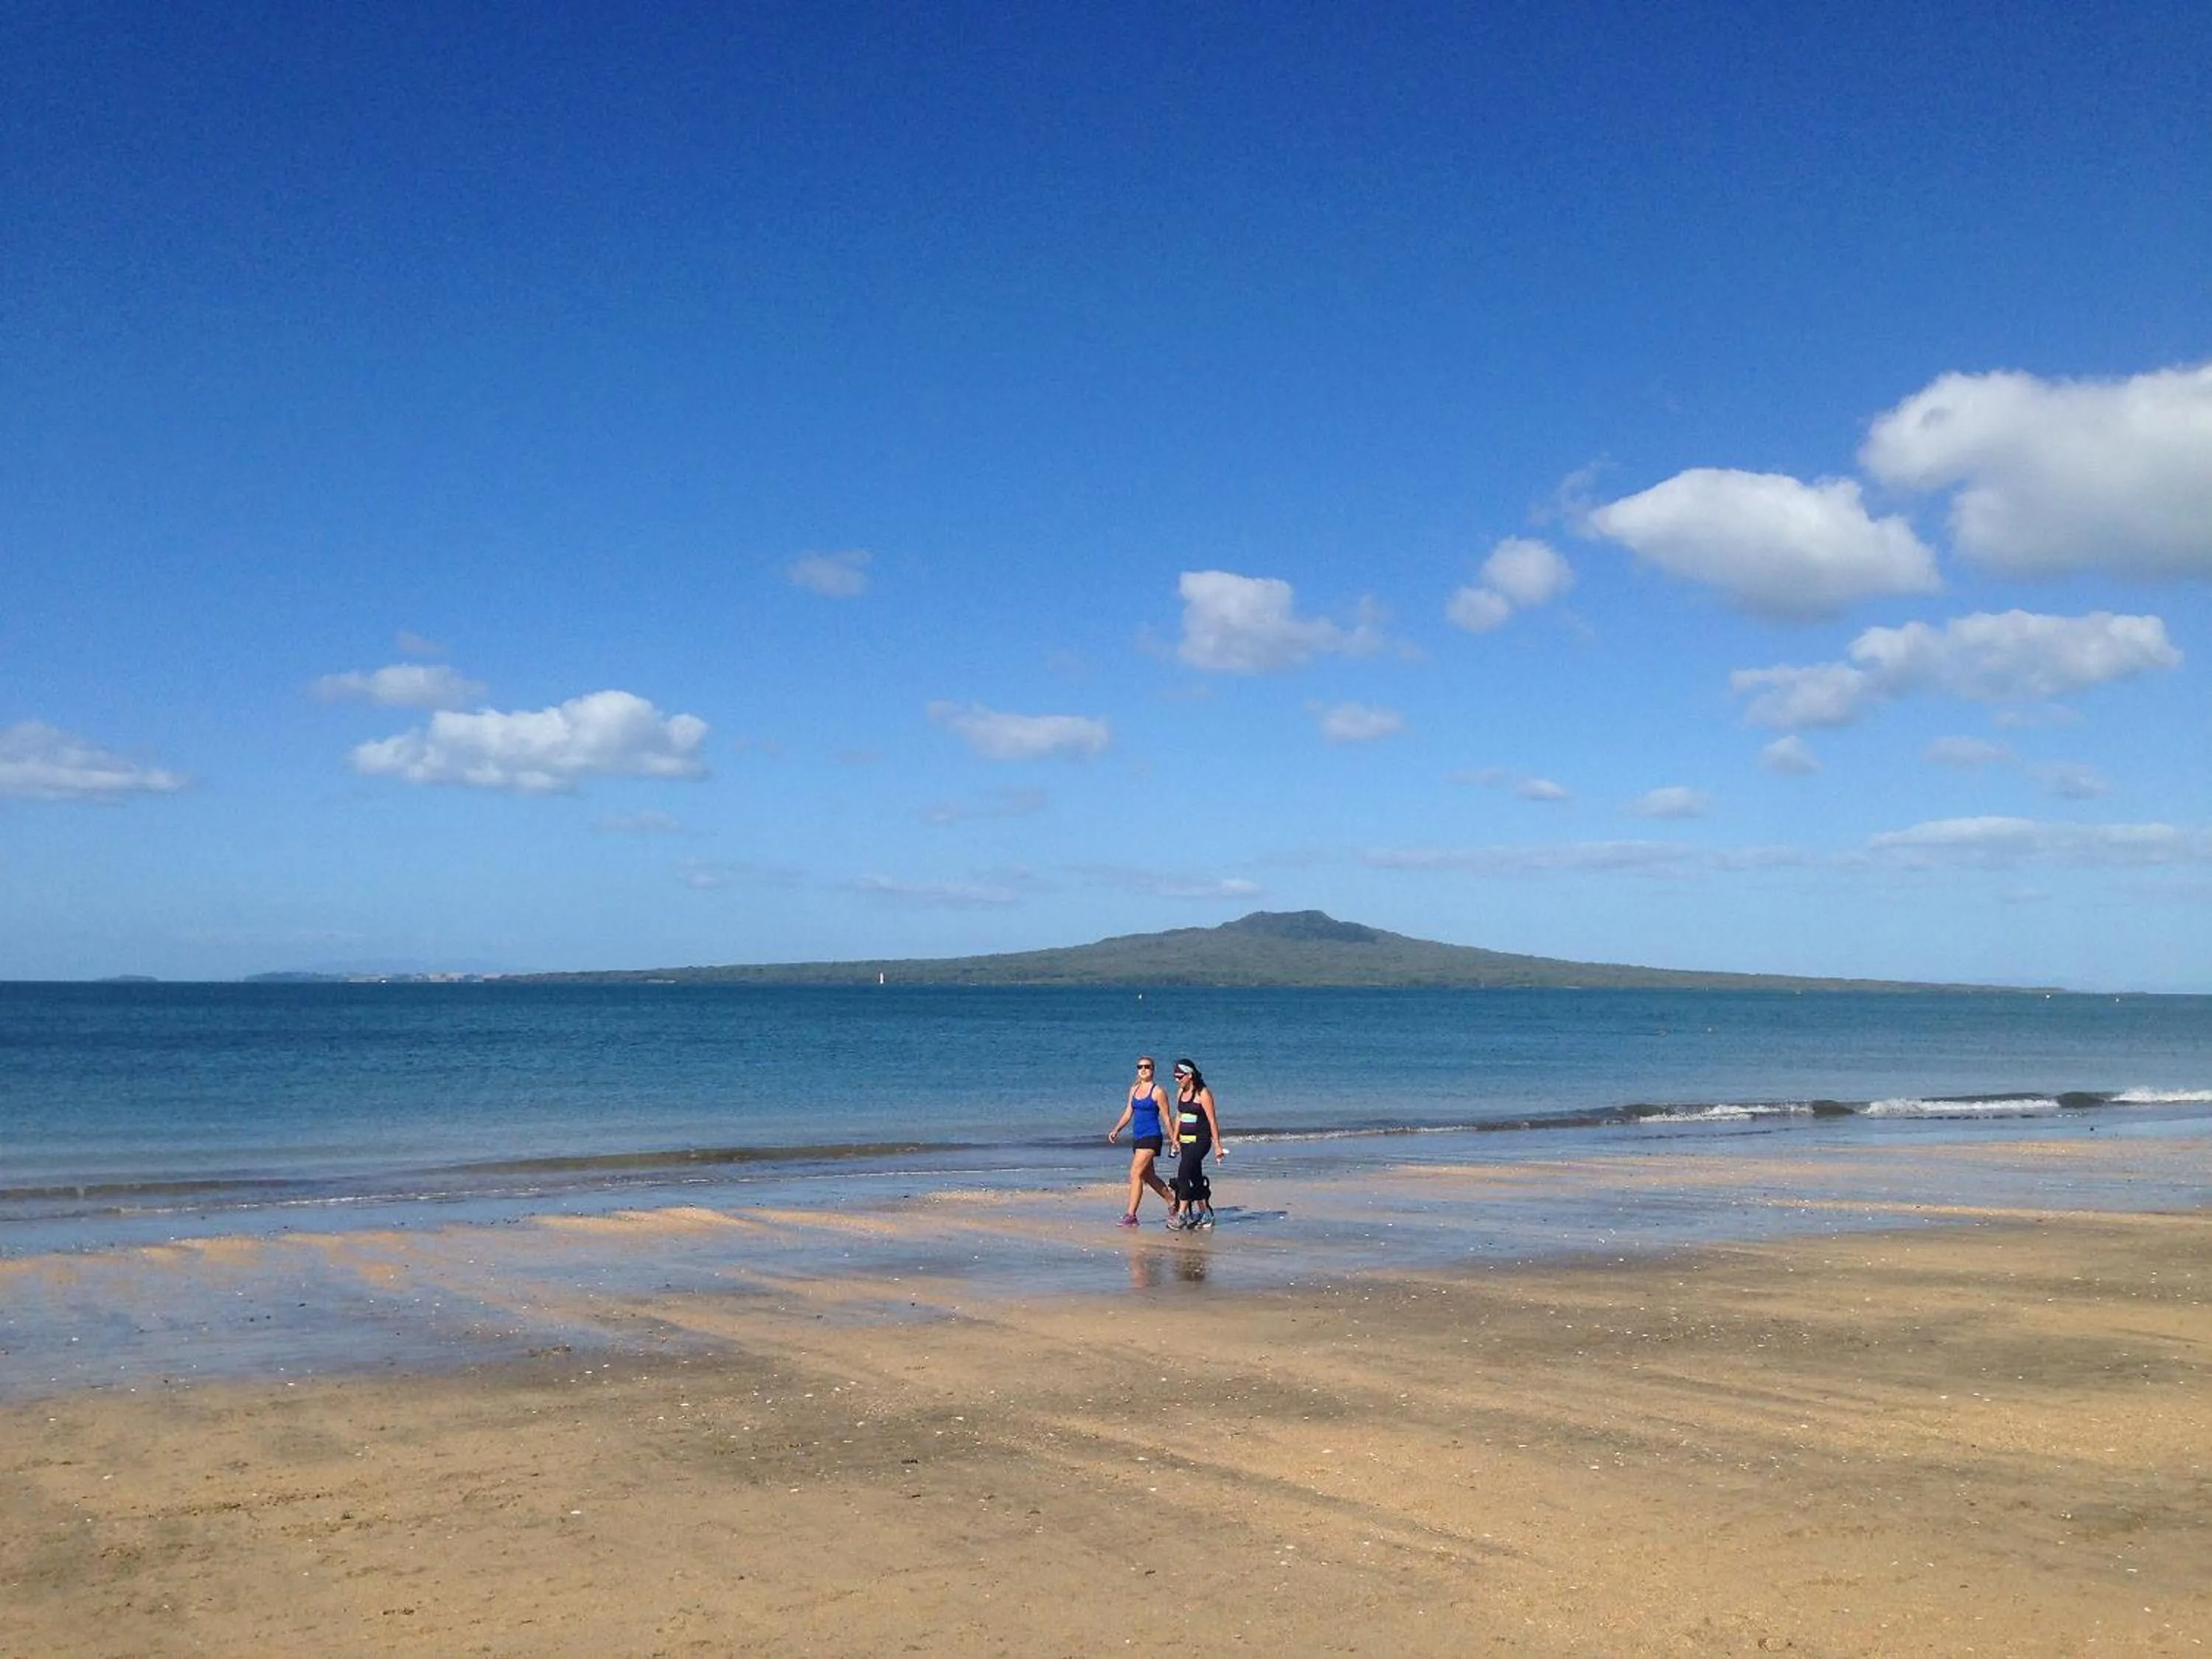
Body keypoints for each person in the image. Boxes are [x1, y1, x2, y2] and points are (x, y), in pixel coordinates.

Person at [1106, 1055, 1176, 1227]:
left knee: (1135, 1173)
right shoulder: (1134, 1090)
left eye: (1147, 1067)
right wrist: (1116, 1129)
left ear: (1153, 1070)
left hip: (1152, 1137)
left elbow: (1166, 1117)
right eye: (1140, 1067)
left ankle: (1131, 1216)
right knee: (1148, 1175)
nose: (1143, 1070)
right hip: (1137, 1137)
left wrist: (1174, 1139)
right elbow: (1128, 1112)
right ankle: (1173, 1202)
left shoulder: (1158, 1092)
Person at [1167, 1058, 1225, 1230]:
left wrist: (1217, 1146)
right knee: (1195, 1176)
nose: (1177, 1080)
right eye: (1175, 1077)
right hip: (1185, 1141)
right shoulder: (1180, 1093)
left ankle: (1182, 1214)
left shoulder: (1203, 1094)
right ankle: (1205, 1212)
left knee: (1183, 1172)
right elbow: (1179, 1116)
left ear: (1190, 1075)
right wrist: (1175, 1139)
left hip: (1201, 1141)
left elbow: (1212, 1121)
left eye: (1180, 1077)